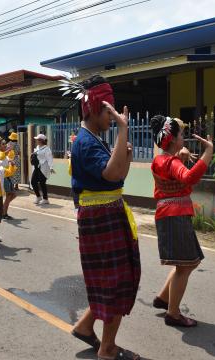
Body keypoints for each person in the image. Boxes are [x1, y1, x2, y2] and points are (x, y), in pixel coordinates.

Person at [69, 75, 141, 360]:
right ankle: (108, 349)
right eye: (109, 111)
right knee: (114, 282)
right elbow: (112, 174)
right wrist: (123, 130)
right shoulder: (86, 142)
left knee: (110, 280)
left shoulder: (93, 139)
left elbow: (119, 175)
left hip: (107, 215)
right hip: (102, 218)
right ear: (95, 109)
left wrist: (125, 152)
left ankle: (86, 327)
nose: (112, 117)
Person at [149, 115, 213, 327]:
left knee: (184, 263)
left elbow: (174, 175)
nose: (183, 136)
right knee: (186, 265)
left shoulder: (160, 159)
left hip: (169, 213)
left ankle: (163, 298)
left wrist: (181, 158)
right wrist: (208, 153)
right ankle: (173, 313)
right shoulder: (171, 161)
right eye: (181, 134)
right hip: (175, 214)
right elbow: (188, 178)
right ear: (173, 139)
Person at [0, 137, 17, 219]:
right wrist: (9, 149)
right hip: (3, 178)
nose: (5, 145)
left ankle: (2, 209)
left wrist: (12, 163)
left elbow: (9, 158)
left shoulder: (5, 154)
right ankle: (4, 213)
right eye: (3, 144)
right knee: (9, 195)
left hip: (8, 177)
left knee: (13, 195)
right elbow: (1, 156)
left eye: (5, 144)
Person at [31, 134, 54, 205]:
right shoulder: (37, 147)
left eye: (38, 139)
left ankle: (45, 199)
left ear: (41, 140)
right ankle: (38, 197)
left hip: (44, 168)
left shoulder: (47, 149)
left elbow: (50, 159)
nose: (36, 141)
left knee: (42, 183)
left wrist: (51, 167)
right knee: (33, 181)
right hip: (37, 167)